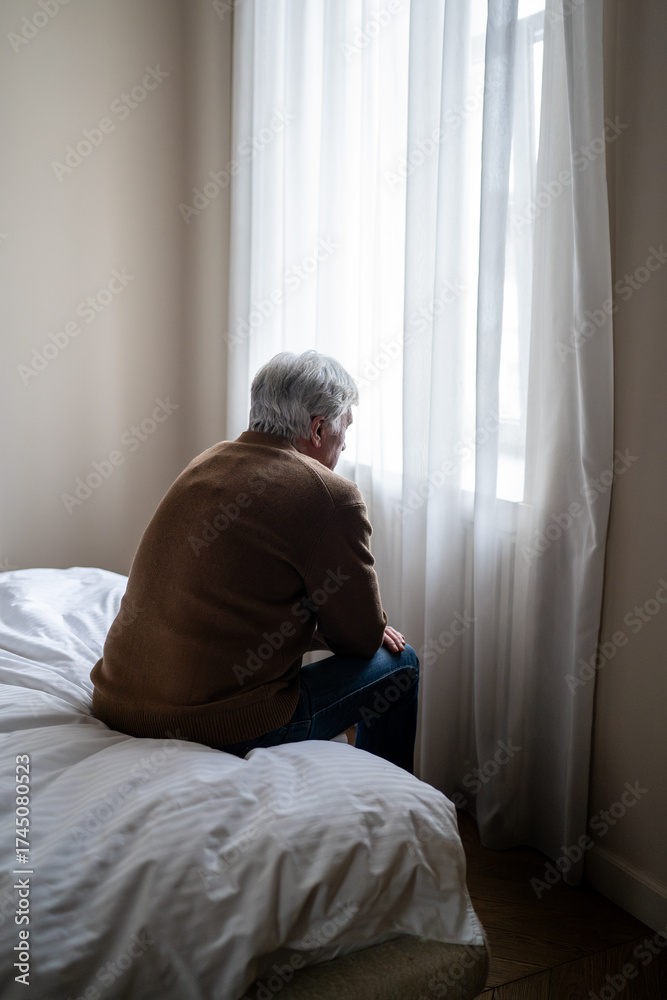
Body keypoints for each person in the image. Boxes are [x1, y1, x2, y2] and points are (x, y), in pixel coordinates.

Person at [90, 350, 419, 772]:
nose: (345, 444)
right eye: (345, 428)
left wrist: (309, 630)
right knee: (401, 663)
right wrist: (346, 628)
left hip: (116, 701)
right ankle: (387, 795)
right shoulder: (330, 495)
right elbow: (361, 640)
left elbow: (227, 609)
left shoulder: (205, 463)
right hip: (209, 724)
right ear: (318, 428)